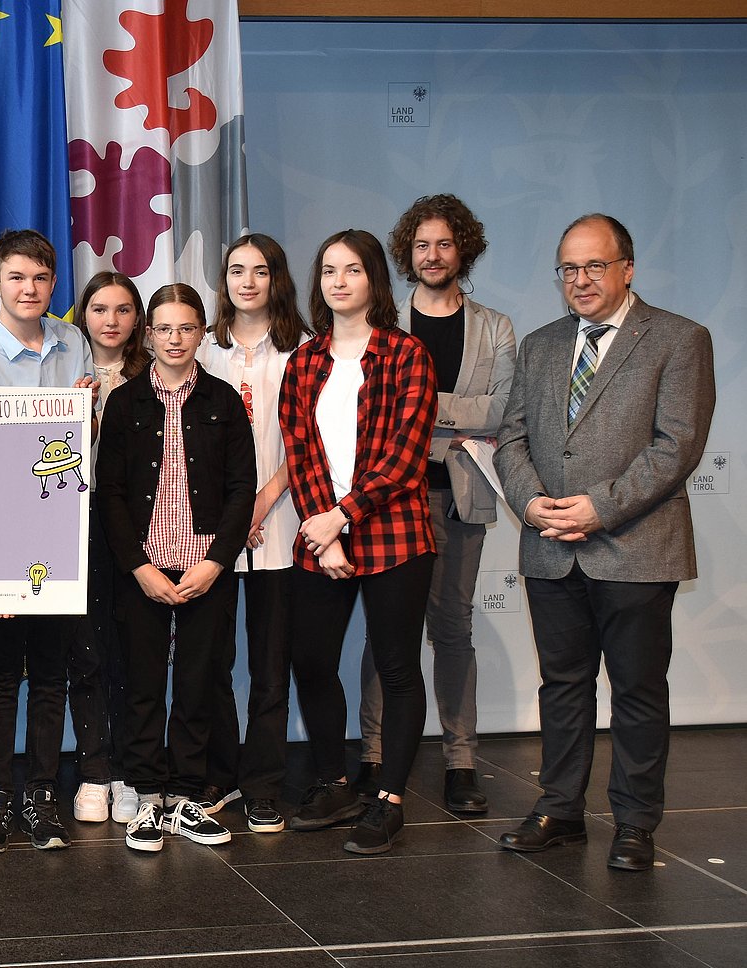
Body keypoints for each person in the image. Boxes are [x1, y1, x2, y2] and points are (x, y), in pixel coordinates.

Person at [494, 214, 713, 872]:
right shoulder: (539, 345)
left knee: (637, 689)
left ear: (628, 268)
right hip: (551, 546)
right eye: (569, 268)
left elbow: (677, 446)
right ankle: (560, 809)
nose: (580, 279)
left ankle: (636, 823)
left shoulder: (679, 338)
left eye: (594, 265)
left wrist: (600, 508)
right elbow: (511, 438)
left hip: (636, 546)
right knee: (562, 685)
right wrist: (530, 503)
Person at [354, 196, 515, 815]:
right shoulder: (381, 324)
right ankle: (373, 755)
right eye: (422, 245)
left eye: (444, 243)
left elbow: (499, 410)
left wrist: (419, 403)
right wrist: (451, 418)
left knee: (452, 631)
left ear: (462, 250)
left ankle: (461, 762)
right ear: (407, 253)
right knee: (386, 634)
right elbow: (370, 407)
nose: (433, 255)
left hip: (459, 499)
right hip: (389, 499)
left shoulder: (495, 327)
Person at [279, 229, 437, 856]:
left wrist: (342, 516)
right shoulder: (304, 361)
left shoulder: (406, 354)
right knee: (312, 661)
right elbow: (301, 452)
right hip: (323, 535)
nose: (338, 281)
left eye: (352, 270)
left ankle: (389, 799)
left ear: (375, 278)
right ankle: (335, 784)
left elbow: (405, 457)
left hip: (394, 531)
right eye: (328, 271)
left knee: (396, 667)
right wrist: (325, 533)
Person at [96, 283, 255, 854]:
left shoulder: (223, 400)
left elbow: (241, 489)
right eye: (164, 328)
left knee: (197, 684)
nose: (175, 339)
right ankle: (146, 798)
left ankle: (186, 798)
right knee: (141, 684)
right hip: (144, 569)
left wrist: (216, 562)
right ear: (148, 334)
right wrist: (137, 566)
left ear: (202, 333)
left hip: (205, 569)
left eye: (186, 328)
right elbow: (110, 494)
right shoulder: (125, 402)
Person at [0, 229, 94, 852]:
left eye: (39, 278)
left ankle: (40, 794)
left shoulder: (74, 344)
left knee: (51, 675)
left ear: (53, 283)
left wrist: (81, 417)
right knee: (1, 673)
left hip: (62, 531)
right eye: (16, 277)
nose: (28, 289)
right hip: (3, 537)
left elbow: (82, 444)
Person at [197, 234, 309, 834]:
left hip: (280, 524)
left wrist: (260, 506)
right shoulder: (203, 349)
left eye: (260, 271)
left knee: (270, 667)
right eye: (236, 271)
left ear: (276, 279)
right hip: (210, 533)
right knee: (212, 662)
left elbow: (308, 444)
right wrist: (231, 517)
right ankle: (218, 775)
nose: (247, 282)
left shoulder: (303, 351)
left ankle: (263, 783)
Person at [69, 271, 150, 826]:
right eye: (100, 309)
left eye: (123, 310)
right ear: (84, 316)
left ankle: (129, 772)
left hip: (141, 525)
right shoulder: (64, 370)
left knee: (132, 652)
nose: (111, 321)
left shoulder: (156, 374)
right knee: (87, 653)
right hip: (75, 520)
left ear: (137, 319)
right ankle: (93, 772)